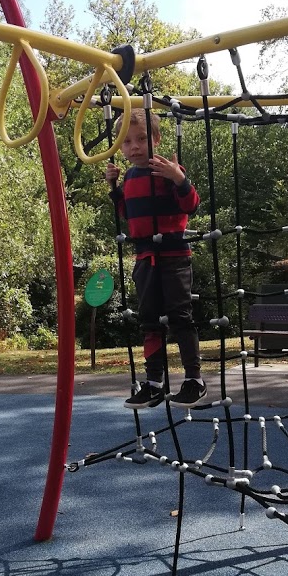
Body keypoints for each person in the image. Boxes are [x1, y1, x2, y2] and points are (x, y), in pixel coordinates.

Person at [106, 108, 208, 410]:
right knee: (149, 320)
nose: (134, 147)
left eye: (141, 139)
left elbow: (191, 205)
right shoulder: (129, 176)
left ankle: (194, 380)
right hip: (144, 257)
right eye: (126, 142)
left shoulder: (167, 170)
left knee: (180, 317)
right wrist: (114, 188)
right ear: (120, 147)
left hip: (173, 257)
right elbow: (128, 213)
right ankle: (154, 383)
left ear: (157, 139)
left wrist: (179, 178)